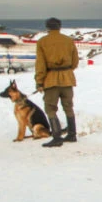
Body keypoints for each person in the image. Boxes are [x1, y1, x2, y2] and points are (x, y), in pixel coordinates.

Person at [35, 17, 78, 147]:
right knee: (68, 107)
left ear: (47, 28)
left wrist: (39, 82)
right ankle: (72, 134)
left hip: (51, 79)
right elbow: (75, 61)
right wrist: (67, 71)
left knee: (50, 108)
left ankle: (57, 137)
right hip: (67, 78)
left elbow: (40, 64)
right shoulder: (68, 41)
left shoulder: (42, 42)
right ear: (59, 27)